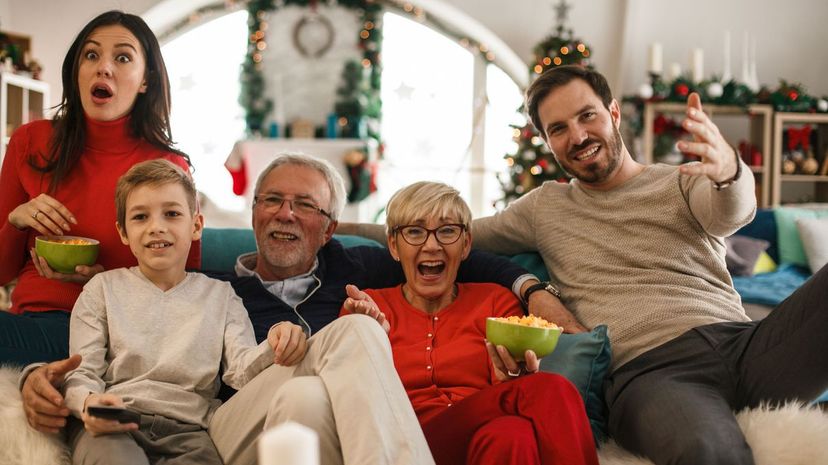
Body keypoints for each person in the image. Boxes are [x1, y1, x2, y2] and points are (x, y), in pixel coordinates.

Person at [24, 153, 540, 465]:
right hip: (233, 422)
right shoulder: (216, 285)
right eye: (271, 200)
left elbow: (455, 257)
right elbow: (81, 350)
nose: (285, 214)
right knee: (312, 376)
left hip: (320, 422)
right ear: (252, 213)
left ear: (330, 228)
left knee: (332, 364)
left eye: (305, 206)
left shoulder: (359, 266)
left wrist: (533, 288)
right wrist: (33, 376)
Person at [453, 66, 827, 465]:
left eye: (587, 115)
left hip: (745, 345)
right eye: (558, 129)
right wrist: (393, 232)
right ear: (547, 142)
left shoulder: (679, 181)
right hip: (651, 373)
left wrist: (728, 173)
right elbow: (449, 237)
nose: (578, 136)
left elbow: (729, 213)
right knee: (707, 452)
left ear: (613, 113)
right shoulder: (545, 207)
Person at [341, 181, 599, 465]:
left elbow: (507, 386)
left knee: (513, 434)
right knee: (552, 389)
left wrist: (513, 378)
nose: (431, 245)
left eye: (448, 231)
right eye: (414, 232)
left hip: (475, 436)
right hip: (405, 444)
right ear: (393, 245)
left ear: (466, 245)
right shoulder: (367, 308)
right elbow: (352, 403)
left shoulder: (495, 301)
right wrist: (363, 335)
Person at [0, 10, 198, 371]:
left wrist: (105, 281)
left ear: (145, 80)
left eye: (122, 57)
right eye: (91, 55)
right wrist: (16, 222)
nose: (103, 67)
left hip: (110, 332)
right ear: (77, 70)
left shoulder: (167, 167)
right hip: (29, 321)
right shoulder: (31, 141)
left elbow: (184, 287)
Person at [64, 159, 284, 465]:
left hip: (191, 433)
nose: (157, 227)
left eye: (172, 214)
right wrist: (89, 404)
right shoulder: (102, 289)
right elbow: (81, 371)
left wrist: (275, 343)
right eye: (140, 217)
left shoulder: (221, 297)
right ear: (123, 232)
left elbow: (240, 371)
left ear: (195, 226)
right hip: (114, 425)